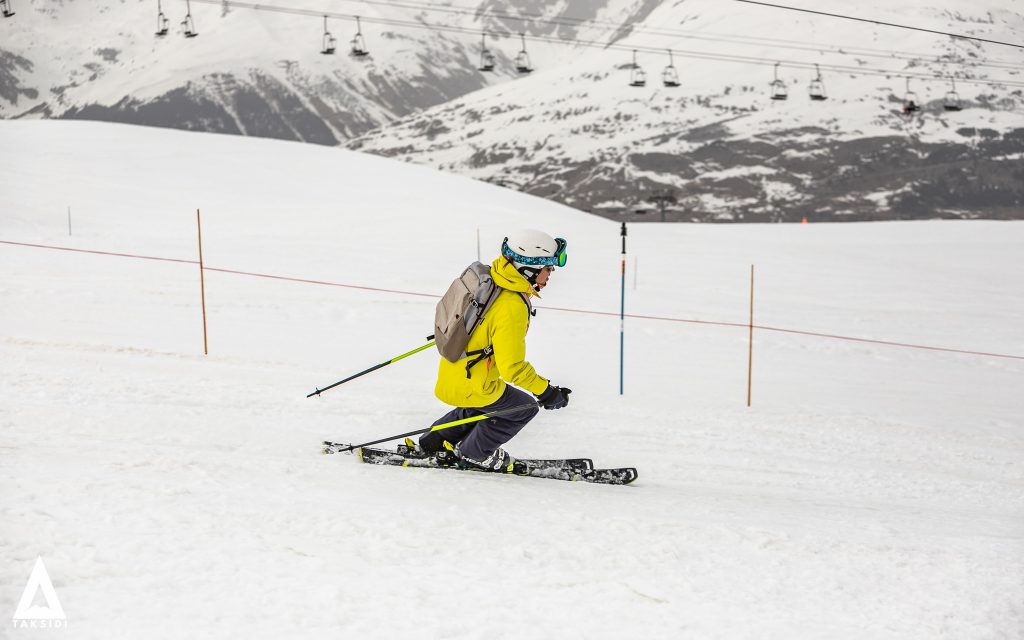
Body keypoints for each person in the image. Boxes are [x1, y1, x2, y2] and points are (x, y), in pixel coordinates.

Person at [420, 229, 572, 471]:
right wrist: (547, 392)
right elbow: (512, 369)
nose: (550, 274)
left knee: (490, 401)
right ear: (529, 268)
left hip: (452, 376)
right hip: (473, 386)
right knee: (523, 407)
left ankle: (436, 439)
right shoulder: (511, 305)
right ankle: (474, 453)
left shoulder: (492, 281)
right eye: (548, 267)